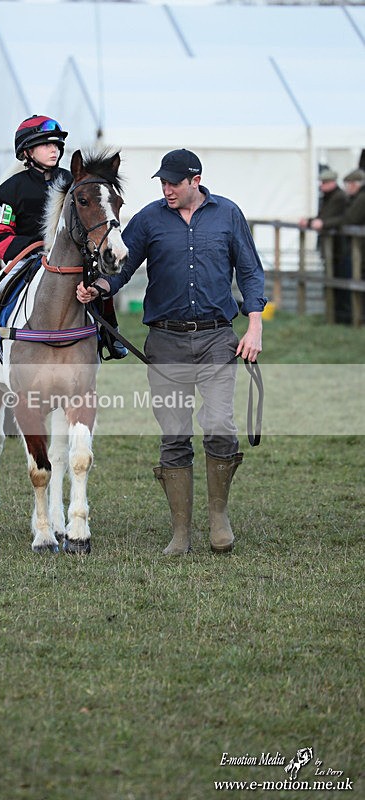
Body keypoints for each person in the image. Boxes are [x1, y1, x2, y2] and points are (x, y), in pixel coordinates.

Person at [77, 149, 266, 555]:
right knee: (174, 434)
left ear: (195, 181)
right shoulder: (148, 219)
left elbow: (250, 271)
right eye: (162, 183)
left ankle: (219, 519)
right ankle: (180, 532)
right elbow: (122, 267)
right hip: (166, 342)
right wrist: (99, 288)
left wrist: (254, 324)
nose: (167, 190)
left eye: (173, 183)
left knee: (219, 425)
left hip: (217, 337)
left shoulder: (228, 215)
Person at [0, 115, 127, 359]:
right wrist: (29, 247)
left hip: (69, 256)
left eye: (57, 145)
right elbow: (1, 232)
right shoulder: (12, 188)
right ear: (27, 151)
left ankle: (111, 334)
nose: (54, 150)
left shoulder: (75, 183)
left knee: (98, 284)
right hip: (27, 256)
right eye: (46, 145)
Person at [309, 168, 365, 324]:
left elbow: (348, 219)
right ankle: (346, 318)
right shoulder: (348, 198)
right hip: (351, 249)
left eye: (349, 184)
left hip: (353, 249)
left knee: (349, 283)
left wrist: (325, 223)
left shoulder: (357, 198)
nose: (347, 187)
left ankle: (349, 319)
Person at [300, 168, 350, 323]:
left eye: (325, 182)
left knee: (340, 283)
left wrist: (318, 223)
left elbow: (332, 219)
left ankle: (342, 317)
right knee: (334, 282)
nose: (322, 185)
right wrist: (310, 222)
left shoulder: (339, 197)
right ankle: (335, 317)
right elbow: (323, 218)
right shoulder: (331, 197)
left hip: (339, 248)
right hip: (333, 248)